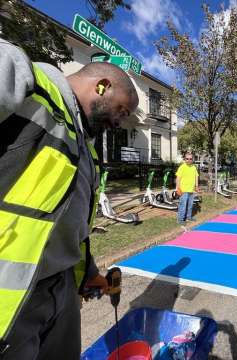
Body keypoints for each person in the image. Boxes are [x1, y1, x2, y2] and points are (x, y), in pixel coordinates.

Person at [0, 38, 139, 359]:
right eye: (122, 110)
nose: (120, 122)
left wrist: (87, 272)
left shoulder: (85, 149)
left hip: (61, 289)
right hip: (13, 296)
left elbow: (70, 221)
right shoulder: (29, 86)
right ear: (102, 86)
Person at [175, 152, 199, 224]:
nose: (189, 160)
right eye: (187, 159)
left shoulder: (194, 167)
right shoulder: (182, 167)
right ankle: (180, 219)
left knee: (190, 205)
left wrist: (196, 186)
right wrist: (178, 188)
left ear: (192, 159)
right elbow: (178, 179)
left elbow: (196, 177)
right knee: (183, 205)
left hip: (191, 190)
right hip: (183, 190)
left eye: (190, 159)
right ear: (185, 159)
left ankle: (189, 217)